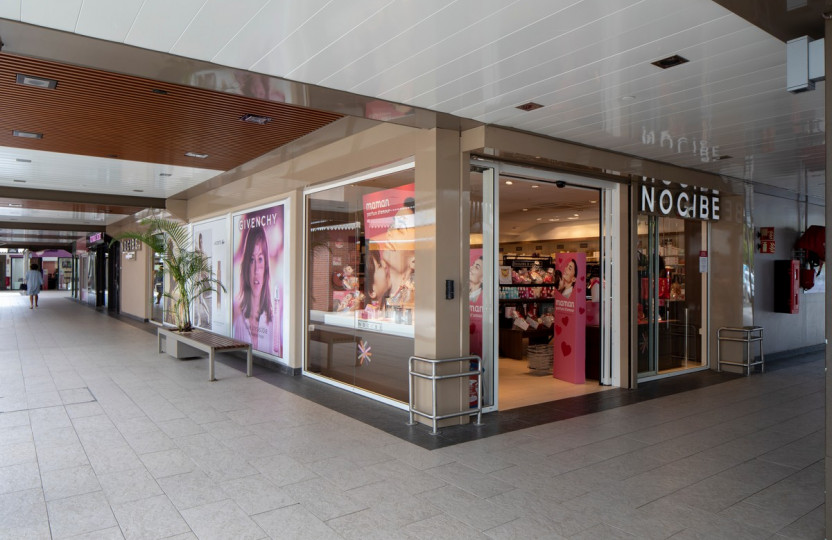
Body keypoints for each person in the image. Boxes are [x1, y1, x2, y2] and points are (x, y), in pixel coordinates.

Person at [233, 226, 273, 350]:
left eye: (260, 259)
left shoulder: (273, 321)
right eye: (251, 260)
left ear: (266, 267)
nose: (256, 270)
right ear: (246, 267)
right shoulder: (239, 320)